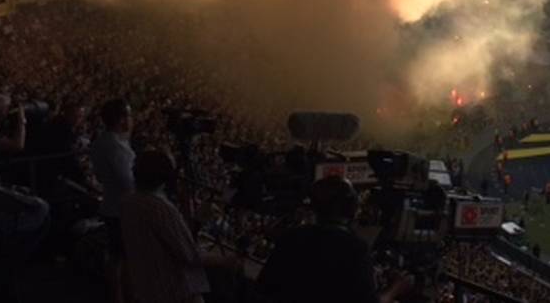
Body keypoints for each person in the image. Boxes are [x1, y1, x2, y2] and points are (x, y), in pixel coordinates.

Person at [259, 176, 412, 303]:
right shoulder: (354, 248)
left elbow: (264, 287)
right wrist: (395, 288)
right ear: (351, 206)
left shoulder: (292, 237)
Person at [121, 150, 233, 303]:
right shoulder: (161, 208)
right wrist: (227, 261)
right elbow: (189, 255)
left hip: (146, 288)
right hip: (174, 291)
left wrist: (195, 217)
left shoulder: (129, 202)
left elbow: (172, 239)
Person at [91, 99, 134, 303]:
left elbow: (99, 176)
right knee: (125, 258)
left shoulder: (101, 142)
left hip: (109, 204)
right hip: (122, 210)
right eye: (128, 115)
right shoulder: (117, 148)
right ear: (121, 120)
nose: (131, 119)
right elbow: (129, 182)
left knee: (115, 255)